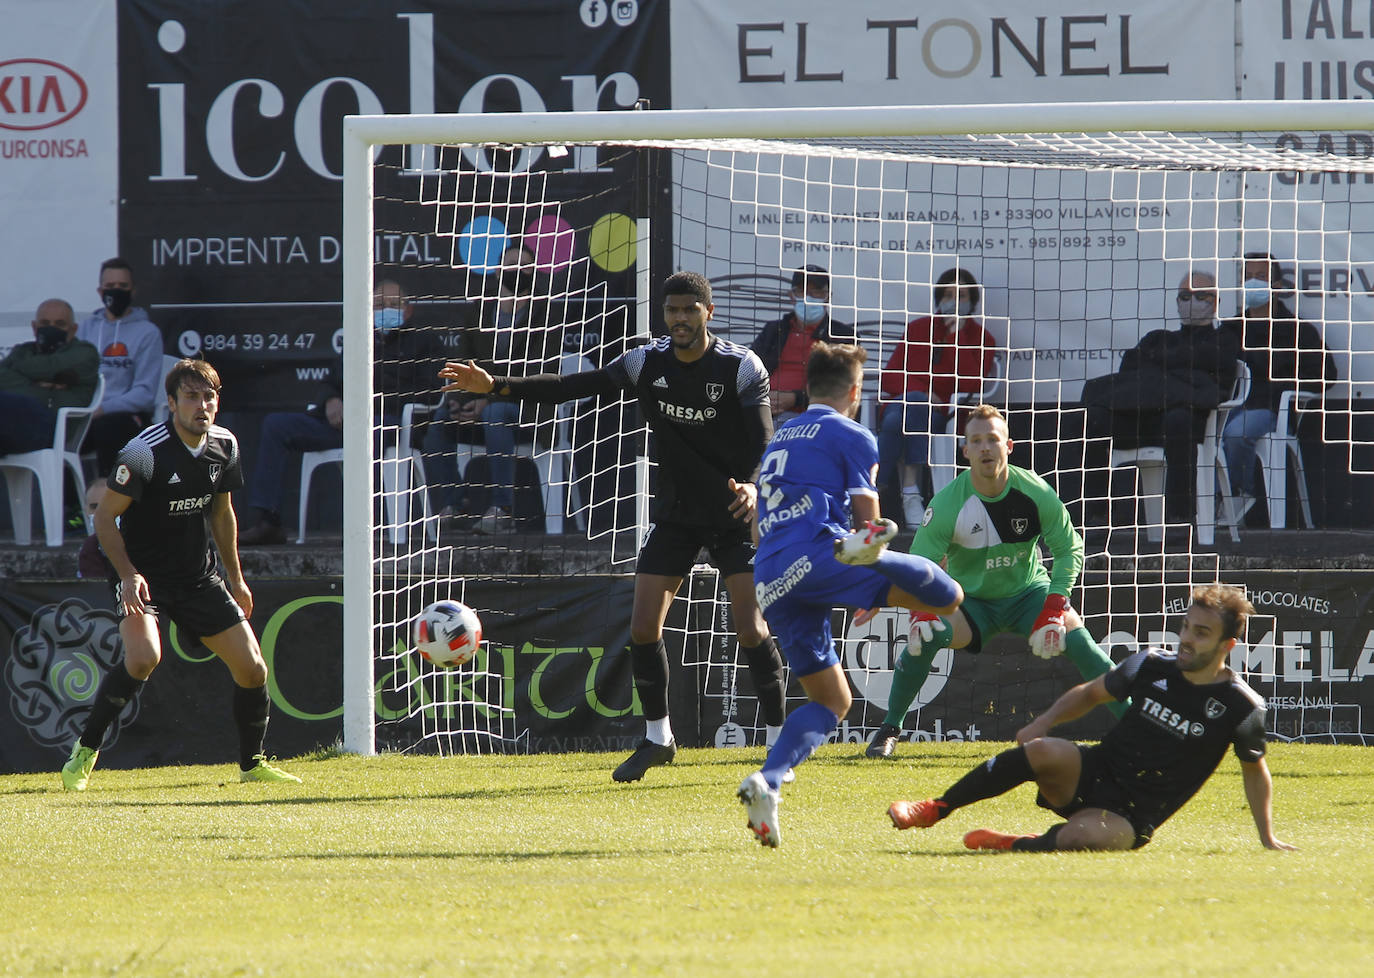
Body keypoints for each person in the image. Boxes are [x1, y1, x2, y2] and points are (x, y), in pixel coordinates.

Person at [439, 270, 788, 783]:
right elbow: (571, 387)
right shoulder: (646, 362)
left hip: (732, 513)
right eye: (673, 311)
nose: (681, 319)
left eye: (691, 309)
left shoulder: (740, 367)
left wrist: (754, 486)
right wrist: (497, 385)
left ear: (708, 312)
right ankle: (658, 739)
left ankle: (779, 746)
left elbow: (765, 442)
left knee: (750, 627)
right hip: (675, 514)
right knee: (643, 627)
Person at [737, 341, 963, 847]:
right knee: (948, 596)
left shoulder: (780, 438)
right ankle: (942, 599)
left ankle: (767, 781)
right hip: (820, 555)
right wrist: (873, 555)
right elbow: (869, 527)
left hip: (770, 573)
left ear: (809, 387)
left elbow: (756, 531)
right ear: (855, 392)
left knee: (832, 699)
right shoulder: (854, 434)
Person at [887, 583, 1295, 853]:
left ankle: (1018, 844)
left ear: (1228, 644)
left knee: (1081, 836)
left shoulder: (1242, 705)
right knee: (1043, 750)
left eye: (1201, 633)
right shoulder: (1152, 664)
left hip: (1132, 815)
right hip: (1095, 770)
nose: (1187, 638)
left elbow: (1254, 771)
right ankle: (934, 808)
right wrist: (1042, 724)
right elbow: (1090, 693)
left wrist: (1267, 837)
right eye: (1186, 627)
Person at [61, 358, 300, 790]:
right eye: (191, 396)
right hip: (143, 575)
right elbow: (104, 520)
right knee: (143, 659)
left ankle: (252, 765)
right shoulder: (143, 452)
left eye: (209, 396)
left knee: (252, 670)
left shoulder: (224, 445)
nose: (201, 405)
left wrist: (236, 577)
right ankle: (85, 751)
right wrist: (129, 575)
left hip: (196, 575)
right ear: (171, 403)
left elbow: (222, 514)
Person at [865, 404, 1122, 760]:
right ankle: (889, 730)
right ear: (965, 450)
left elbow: (1069, 549)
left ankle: (1139, 728)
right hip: (969, 604)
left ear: (1009, 446)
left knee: (1081, 642)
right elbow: (920, 566)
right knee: (922, 639)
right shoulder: (947, 504)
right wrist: (920, 613)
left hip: (1028, 596)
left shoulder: (1035, 492)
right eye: (976, 441)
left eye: (993, 439)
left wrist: (1054, 606)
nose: (985, 447)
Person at [238, 278, 445, 544]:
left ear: (409, 310)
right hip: (344, 426)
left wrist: (368, 408)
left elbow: (432, 390)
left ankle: (386, 533)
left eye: (394, 304)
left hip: (389, 426)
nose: (386, 310)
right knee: (276, 425)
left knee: (380, 426)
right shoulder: (361, 340)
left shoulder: (426, 342)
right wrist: (331, 400)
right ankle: (269, 522)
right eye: (380, 304)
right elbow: (330, 381)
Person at [1081, 269, 1241, 525]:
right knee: (1095, 417)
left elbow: (1211, 375)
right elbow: (1131, 373)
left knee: (1178, 420)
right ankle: (1094, 515)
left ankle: (1180, 517)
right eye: (1185, 296)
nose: (1192, 302)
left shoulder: (1225, 339)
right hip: (1143, 420)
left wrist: (1161, 372)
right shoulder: (1158, 338)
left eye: (1201, 296)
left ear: (1216, 302)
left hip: (1190, 426)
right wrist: (1183, 376)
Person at [422, 243, 564, 533]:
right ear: (498, 272)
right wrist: (460, 401)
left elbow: (536, 371)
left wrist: (486, 400)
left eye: (525, 266)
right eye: (511, 265)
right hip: (481, 402)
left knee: (496, 412)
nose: (518, 271)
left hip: (529, 406)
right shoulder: (479, 312)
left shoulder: (547, 313)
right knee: (437, 422)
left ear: (535, 273)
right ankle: (456, 503)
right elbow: (463, 362)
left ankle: (504, 510)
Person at [877, 267, 994, 528]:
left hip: (944, 416)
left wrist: (957, 338)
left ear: (972, 302)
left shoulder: (983, 338)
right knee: (912, 407)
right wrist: (924, 393)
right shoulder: (918, 329)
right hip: (909, 405)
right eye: (948, 294)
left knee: (901, 417)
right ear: (939, 299)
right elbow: (890, 377)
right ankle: (911, 494)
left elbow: (973, 383)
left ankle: (875, 487)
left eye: (961, 296)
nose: (954, 301)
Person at [1221, 252, 1335, 521]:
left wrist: (1281, 390)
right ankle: (1205, 504)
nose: (1252, 283)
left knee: (1238, 433)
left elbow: (1326, 375)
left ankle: (1238, 494)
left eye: (1261, 277)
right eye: (1247, 277)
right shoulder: (1229, 329)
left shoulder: (1298, 331)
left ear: (1278, 285)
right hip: (1227, 409)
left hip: (1271, 411)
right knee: (1191, 430)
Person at [75, 258, 164, 476]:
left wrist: (103, 409)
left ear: (133, 291)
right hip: (86, 415)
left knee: (108, 427)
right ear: (100, 291)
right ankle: (71, 507)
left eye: (122, 287)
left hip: (127, 417)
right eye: (110, 286)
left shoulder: (147, 332)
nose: (116, 292)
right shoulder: (86, 328)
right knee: (57, 432)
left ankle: (111, 500)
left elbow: (144, 394)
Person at [749, 264, 856, 426]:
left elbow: (840, 388)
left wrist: (795, 398)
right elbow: (748, 373)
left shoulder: (843, 335)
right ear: (791, 295)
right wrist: (763, 397)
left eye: (816, 291)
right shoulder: (772, 330)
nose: (807, 297)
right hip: (764, 408)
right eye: (801, 291)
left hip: (814, 415)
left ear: (828, 296)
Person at [0, 298, 99, 456]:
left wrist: (21, 370)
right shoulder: (22, 351)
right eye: (45, 323)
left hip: (53, 429)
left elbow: (52, 365)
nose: (51, 329)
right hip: (12, 426)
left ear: (73, 330)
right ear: (34, 327)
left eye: (59, 324)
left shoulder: (85, 353)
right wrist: (42, 385)